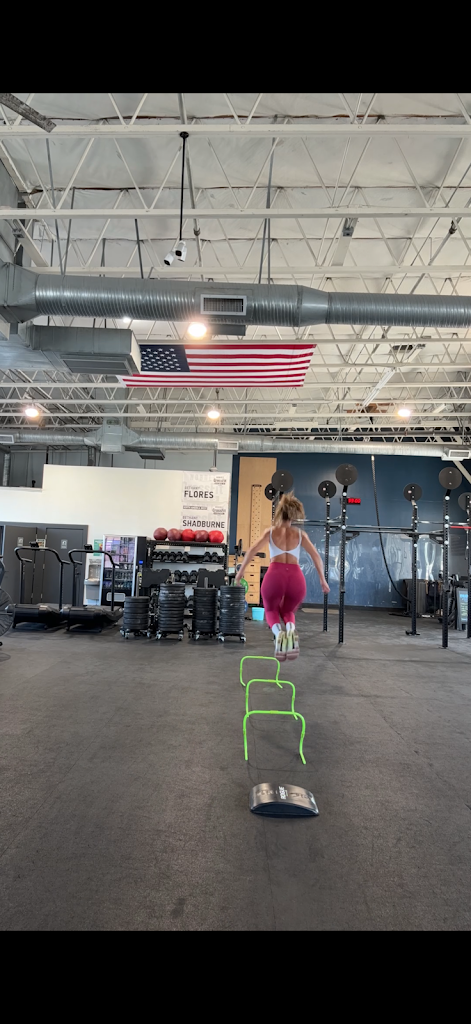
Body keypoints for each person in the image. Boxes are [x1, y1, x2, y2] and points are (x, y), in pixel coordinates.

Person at [235, 492, 329, 661]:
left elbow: (252, 551)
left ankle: (279, 635)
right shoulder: (300, 535)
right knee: (287, 611)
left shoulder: (271, 532)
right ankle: (291, 630)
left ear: (279, 513)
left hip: (275, 576)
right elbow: (316, 556)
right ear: (293, 515)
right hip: (296, 578)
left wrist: (240, 573)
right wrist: (322, 580)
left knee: (271, 610)